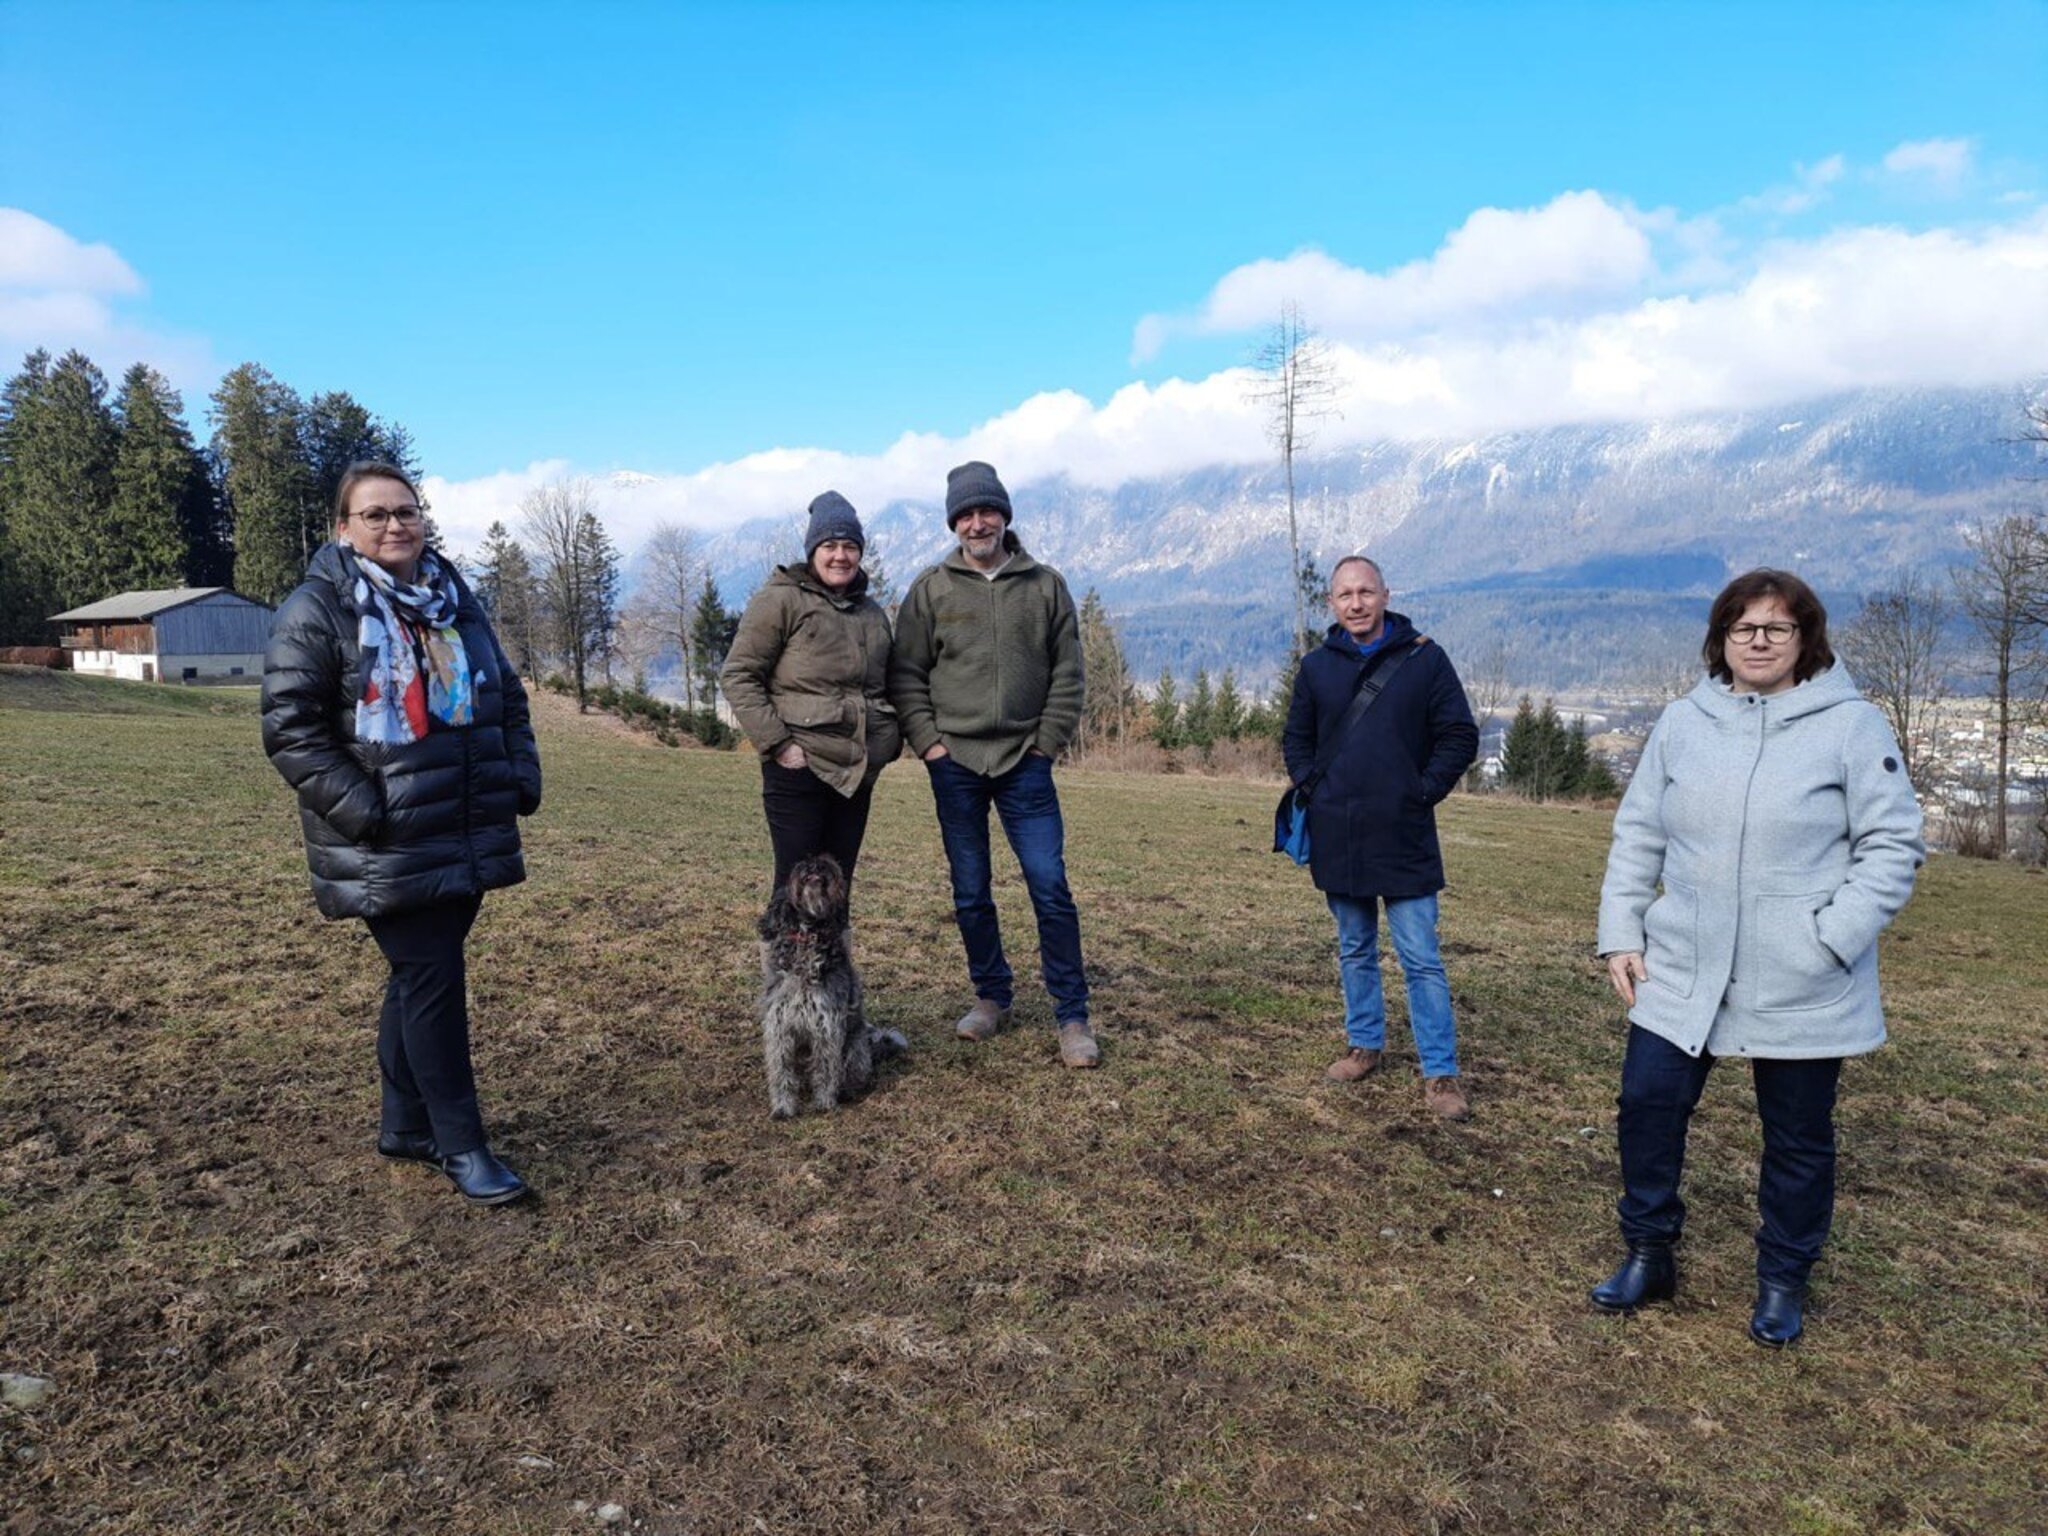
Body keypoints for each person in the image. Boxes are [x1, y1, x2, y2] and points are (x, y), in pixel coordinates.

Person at [1593, 568, 1923, 1347]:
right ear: (1722, 640)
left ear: (1806, 639)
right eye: (1746, 628)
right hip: (1683, 964)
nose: (1761, 640)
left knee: (1799, 1138)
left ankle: (1782, 1280)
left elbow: (1894, 846)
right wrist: (1622, 932)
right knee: (1647, 1105)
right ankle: (1649, 1251)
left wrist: (1830, 938)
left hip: (1802, 976)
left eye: (1779, 627)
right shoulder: (1684, 723)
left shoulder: (1852, 726)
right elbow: (1640, 832)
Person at [261, 462, 542, 1206]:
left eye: (406, 511)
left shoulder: (452, 597)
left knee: (421, 977)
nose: (395, 525)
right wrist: (366, 811)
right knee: (432, 981)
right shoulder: (318, 609)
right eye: (376, 513)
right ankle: (463, 1147)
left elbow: (505, 695)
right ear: (343, 528)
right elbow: (291, 730)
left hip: (465, 821)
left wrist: (520, 775)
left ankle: (403, 1125)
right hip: (388, 838)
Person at [888, 460, 1097, 1067]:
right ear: (955, 524)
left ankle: (1072, 1013)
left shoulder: (1045, 585)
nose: (977, 523)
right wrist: (930, 744)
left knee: (1050, 886)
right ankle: (992, 996)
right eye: (966, 515)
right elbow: (906, 676)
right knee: (971, 890)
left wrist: (1046, 743)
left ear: (1005, 516)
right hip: (955, 761)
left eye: (987, 511)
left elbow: (1069, 673)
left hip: (1025, 762)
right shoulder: (930, 589)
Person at [1283, 555, 1480, 1118]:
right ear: (1332, 604)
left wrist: (1422, 791)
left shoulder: (1424, 659)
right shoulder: (1317, 666)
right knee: (1354, 947)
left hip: (1405, 831)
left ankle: (1440, 1074)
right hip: (1339, 830)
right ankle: (1364, 1044)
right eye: (1344, 595)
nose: (1356, 604)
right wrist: (1312, 788)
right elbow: (1296, 738)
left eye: (1365, 592)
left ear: (1385, 595)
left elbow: (1458, 734)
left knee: (1421, 957)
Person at [720, 491, 901, 899]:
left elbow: (888, 684)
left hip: (856, 772)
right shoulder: (781, 599)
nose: (841, 555)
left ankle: (834, 963)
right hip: (798, 769)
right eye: (830, 545)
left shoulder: (871, 614)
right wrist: (780, 745)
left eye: (850, 546)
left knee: (838, 886)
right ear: (813, 551)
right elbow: (739, 674)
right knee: (795, 886)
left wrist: (888, 742)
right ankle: (783, 964)